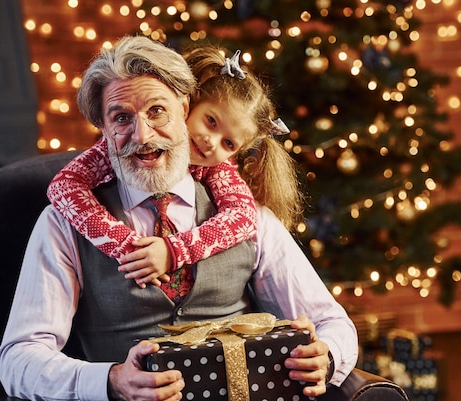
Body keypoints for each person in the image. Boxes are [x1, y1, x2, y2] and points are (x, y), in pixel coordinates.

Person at [0, 35, 357, 401]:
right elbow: (19, 359)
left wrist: (326, 357)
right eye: (121, 118)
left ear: (184, 107)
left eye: (157, 111)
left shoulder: (248, 217)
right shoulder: (62, 224)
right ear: (103, 129)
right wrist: (113, 380)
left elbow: (332, 323)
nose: (143, 136)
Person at [46, 45, 302, 288]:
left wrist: (173, 251)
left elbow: (243, 218)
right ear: (190, 103)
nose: (210, 143)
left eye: (228, 143)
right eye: (210, 121)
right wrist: (127, 246)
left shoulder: (219, 168)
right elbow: (63, 186)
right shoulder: (120, 144)